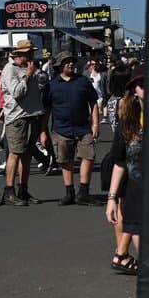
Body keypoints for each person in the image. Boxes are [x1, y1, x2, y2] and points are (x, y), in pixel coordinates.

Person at [49, 54, 101, 206]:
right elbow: (46, 109)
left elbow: (93, 102)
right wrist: (42, 131)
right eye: (67, 62)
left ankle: (83, 192)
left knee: (89, 156)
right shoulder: (52, 85)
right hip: (61, 128)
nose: (71, 64)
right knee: (66, 160)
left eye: (72, 61)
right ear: (60, 65)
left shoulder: (83, 81)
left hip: (83, 128)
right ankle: (69, 192)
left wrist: (96, 124)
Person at [0, 39, 46, 205]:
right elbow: (16, 93)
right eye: (30, 52)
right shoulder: (10, 69)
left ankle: (23, 189)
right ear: (21, 54)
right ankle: (9, 190)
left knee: (27, 155)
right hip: (17, 117)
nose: (33, 55)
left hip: (31, 115)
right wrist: (27, 76)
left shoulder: (29, 68)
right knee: (15, 153)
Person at [105, 75, 144, 274]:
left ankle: (121, 253)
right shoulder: (128, 123)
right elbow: (119, 163)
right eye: (141, 85)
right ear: (135, 92)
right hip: (136, 194)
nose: (146, 88)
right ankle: (121, 254)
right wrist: (112, 198)